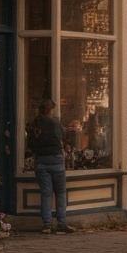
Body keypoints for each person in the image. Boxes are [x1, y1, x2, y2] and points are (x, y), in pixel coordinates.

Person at [27, 99, 72, 234]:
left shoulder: (34, 124)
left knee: (46, 194)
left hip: (41, 160)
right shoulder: (54, 122)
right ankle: (61, 223)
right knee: (61, 192)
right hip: (56, 159)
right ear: (50, 110)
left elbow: (31, 144)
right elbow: (63, 135)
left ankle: (47, 224)